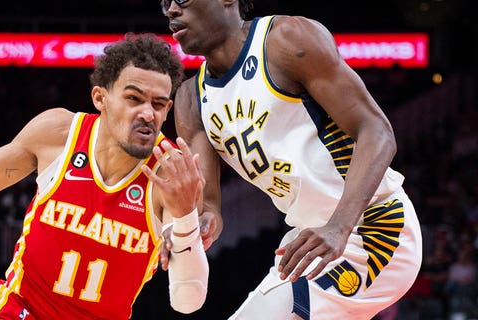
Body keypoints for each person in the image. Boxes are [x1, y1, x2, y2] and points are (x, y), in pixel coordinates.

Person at [0, 33, 209, 319]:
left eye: (158, 104)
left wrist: (184, 219)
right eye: (134, 98)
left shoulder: (171, 174)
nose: (147, 113)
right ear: (100, 98)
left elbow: (187, 302)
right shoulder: (58, 134)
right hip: (19, 311)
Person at [160, 0, 423, 319]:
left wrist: (339, 227)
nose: (171, 10)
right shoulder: (190, 98)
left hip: (374, 226)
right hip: (307, 240)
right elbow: (210, 204)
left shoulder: (285, 39)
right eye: (165, 3)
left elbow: (377, 131)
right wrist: (200, 223)